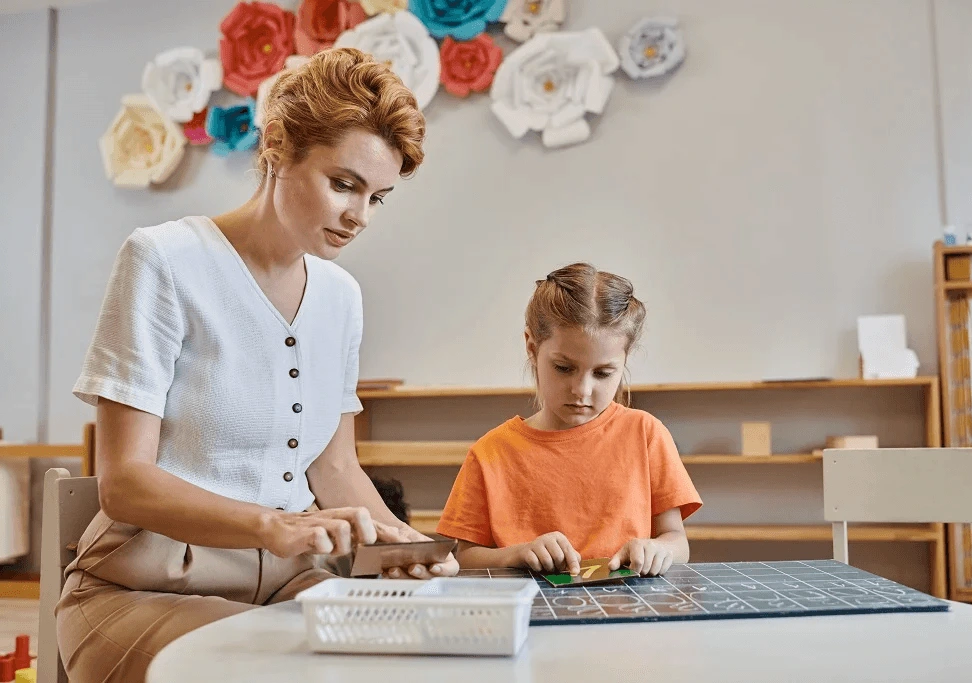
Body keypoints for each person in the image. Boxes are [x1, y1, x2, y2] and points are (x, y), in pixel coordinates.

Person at [56, 48, 457, 683]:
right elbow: (124, 482)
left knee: (414, 654)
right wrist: (272, 526)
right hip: (143, 590)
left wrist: (417, 550)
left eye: (378, 197)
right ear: (276, 145)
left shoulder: (341, 297)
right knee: (277, 665)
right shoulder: (164, 260)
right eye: (344, 183)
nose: (359, 216)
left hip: (290, 590)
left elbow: (334, 468)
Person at [436, 263, 702, 577]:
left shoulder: (646, 434)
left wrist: (658, 550)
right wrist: (518, 553)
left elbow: (677, 541)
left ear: (624, 361)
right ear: (532, 348)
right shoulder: (490, 453)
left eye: (603, 373)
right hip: (534, 617)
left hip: (628, 615)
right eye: (564, 368)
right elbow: (464, 558)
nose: (581, 390)